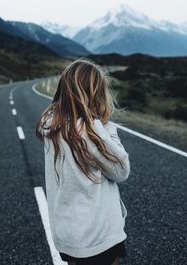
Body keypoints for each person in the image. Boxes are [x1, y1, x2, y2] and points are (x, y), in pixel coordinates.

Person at [36, 58, 131, 265]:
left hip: (68, 234)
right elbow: (121, 170)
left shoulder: (52, 125)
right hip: (98, 236)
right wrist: (107, 129)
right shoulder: (92, 132)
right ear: (95, 93)